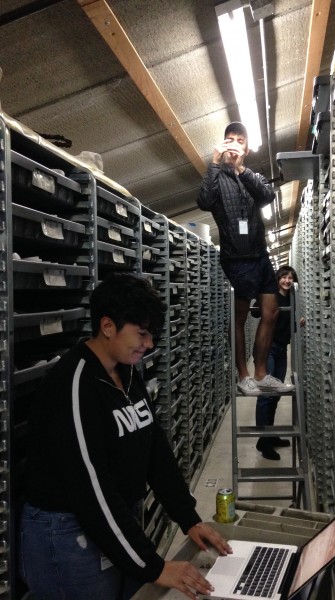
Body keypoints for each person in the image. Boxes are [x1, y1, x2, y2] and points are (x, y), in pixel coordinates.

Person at [18, 273, 232, 600]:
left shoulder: (127, 372)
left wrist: (189, 519)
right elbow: (91, 491)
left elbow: (154, 450)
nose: (149, 345)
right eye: (142, 334)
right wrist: (154, 566)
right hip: (68, 534)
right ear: (107, 326)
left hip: (111, 521)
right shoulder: (75, 386)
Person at [197, 121, 294, 397]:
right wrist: (215, 162)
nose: (234, 143)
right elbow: (204, 201)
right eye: (230, 138)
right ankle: (244, 376)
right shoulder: (216, 176)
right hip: (236, 258)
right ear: (223, 143)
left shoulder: (254, 176)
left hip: (260, 254)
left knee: (271, 312)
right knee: (240, 318)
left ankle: (261, 373)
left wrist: (241, 169)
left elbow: (267, 197)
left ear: (247, 148)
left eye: (240, 140)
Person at [253, 266, 304, 460]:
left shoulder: (292, 298)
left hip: (281, 350)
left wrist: (298, 322)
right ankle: (263, 442)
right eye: (284, 277)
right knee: (266, 395)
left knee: (275, 395)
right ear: (278, 279)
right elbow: (256, 314)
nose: (287, 281)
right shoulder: (272, 295)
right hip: (267, 350)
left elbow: (286, 327)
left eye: (290, 278)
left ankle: (269, 435)